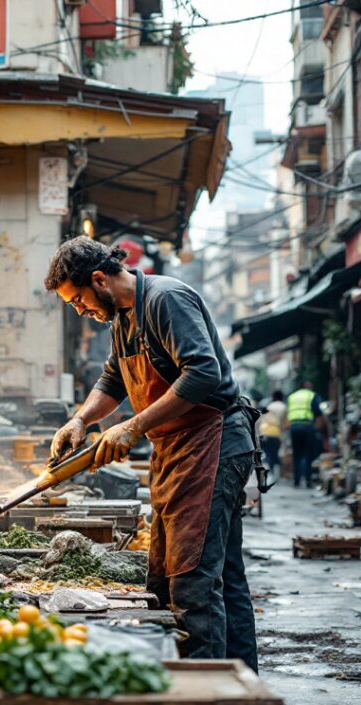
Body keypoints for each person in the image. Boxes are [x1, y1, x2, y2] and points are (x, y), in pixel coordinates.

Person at [45, 237, 258, 671]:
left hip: (213, 442)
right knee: (217, 575)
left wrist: (133, 425)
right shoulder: (122, 318)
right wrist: (81, 420)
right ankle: (238, 686)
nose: (80, 311)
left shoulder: (166, 299)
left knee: (193, 579)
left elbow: (202, 373)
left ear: (99, 279)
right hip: (178, 449)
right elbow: (113, 380)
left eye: (78, 301)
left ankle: (203, 701)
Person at [287, 381, 323, 488]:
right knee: (308, 454)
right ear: (308, 387)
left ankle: (296, 480)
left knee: (296, 454)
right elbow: (318, 413)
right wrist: (318, 428)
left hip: (294, 427)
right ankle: (308, 480)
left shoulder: (292, 396)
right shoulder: (311, 395)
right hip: (307, 426)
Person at [258, 390, 287, 482]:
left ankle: (267, 475)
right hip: (275, 433)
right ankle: (274, 475)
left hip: (264, 432)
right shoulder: (283, 407)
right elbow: (284, 422)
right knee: (275, 454)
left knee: (266, 454)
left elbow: (261, 419)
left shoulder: (268, 406)